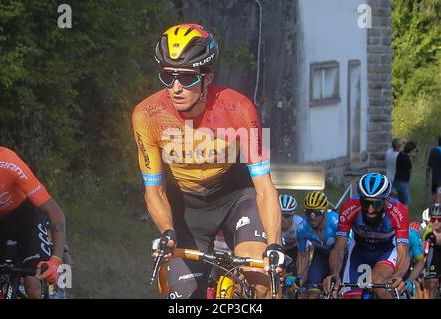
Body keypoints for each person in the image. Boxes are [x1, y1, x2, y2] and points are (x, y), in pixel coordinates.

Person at [132, 24, 284, 299]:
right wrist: (167, 231)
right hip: (187, 208)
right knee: (186, 296)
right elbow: (154, 189)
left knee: (260, 280)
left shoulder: (238, 108)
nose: (175, 88)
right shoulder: (147, 115)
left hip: (236, 197)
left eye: (187, 78)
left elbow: (264, 187)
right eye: (168, 76)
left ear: (207, 78)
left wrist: (274, 245)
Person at [0, 117, 66, 298]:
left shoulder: (7, 163)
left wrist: (56, 260)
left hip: (25, 220)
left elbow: (55, 213)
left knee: (33, 281)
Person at [323, 172, 410, 299]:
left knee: (377, 282)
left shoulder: (399, 211)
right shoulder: (349, 208)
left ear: (387, 201)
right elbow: (338, 248)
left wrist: (397, 276)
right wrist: (335, 273)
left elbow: (403, 253)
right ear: (360, 200)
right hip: (359, 251)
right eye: (365, 203)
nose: (370, 209)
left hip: (386, 251)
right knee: (351, 296)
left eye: (376, 204)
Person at [295, 191, 342, 299]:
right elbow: (302, 255)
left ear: (324, 212)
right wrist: (300, 276)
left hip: (340, 255)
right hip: (320, 256)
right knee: (312, 293)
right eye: (309, 213)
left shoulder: (336, 222)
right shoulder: (303, 228)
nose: (312, 217)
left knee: (338, 290)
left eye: (317, 213)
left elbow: (343, 249)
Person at [421, 203, 441, 299]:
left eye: (439, 219)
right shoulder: (427, 231)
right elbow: (424, 251)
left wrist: (436, 238)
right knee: (432, 284)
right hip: (434, 258)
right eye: (433, 219)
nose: (436, 222)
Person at [279, 194, 302, 275]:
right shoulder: (271, 223)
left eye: (286, 216)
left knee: (293, 275)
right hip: (279, 248)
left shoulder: (299, 224)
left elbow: (303, 253)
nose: (282, 219)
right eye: (280, 214)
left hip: (294, 249)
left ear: (293, 215)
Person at [394, 141, 418, 206]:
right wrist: (410, 159)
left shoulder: (401, 154)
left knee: (400, 201)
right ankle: (404, 215)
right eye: (414, 151)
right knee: (405, 203)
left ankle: (399, 215)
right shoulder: (406, 158)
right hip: (403, 182)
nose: (414, 153)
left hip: (397, 180)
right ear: (411, 150)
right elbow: (411, 169)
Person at [427, 136, 441, 203]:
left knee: (433, 192)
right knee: (439, 193)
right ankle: (436, 210)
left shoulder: (433, 150)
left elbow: (429, 164)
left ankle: (432, 208)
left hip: (433, 175)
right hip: (439, 176)